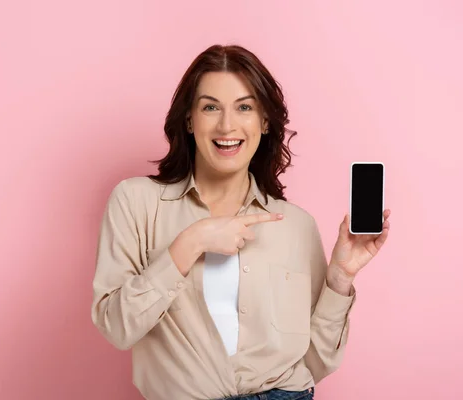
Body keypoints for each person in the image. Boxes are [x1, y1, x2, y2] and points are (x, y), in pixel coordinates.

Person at [90, 44, 391, 400]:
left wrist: (340, 278)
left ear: (265, 122)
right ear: (189, 119)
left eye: (244, 107)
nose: (227, 125)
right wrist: (190, 243)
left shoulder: (296, 225)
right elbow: (117, 327)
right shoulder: (135, 201)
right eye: (210, 107)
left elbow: (315, 361)